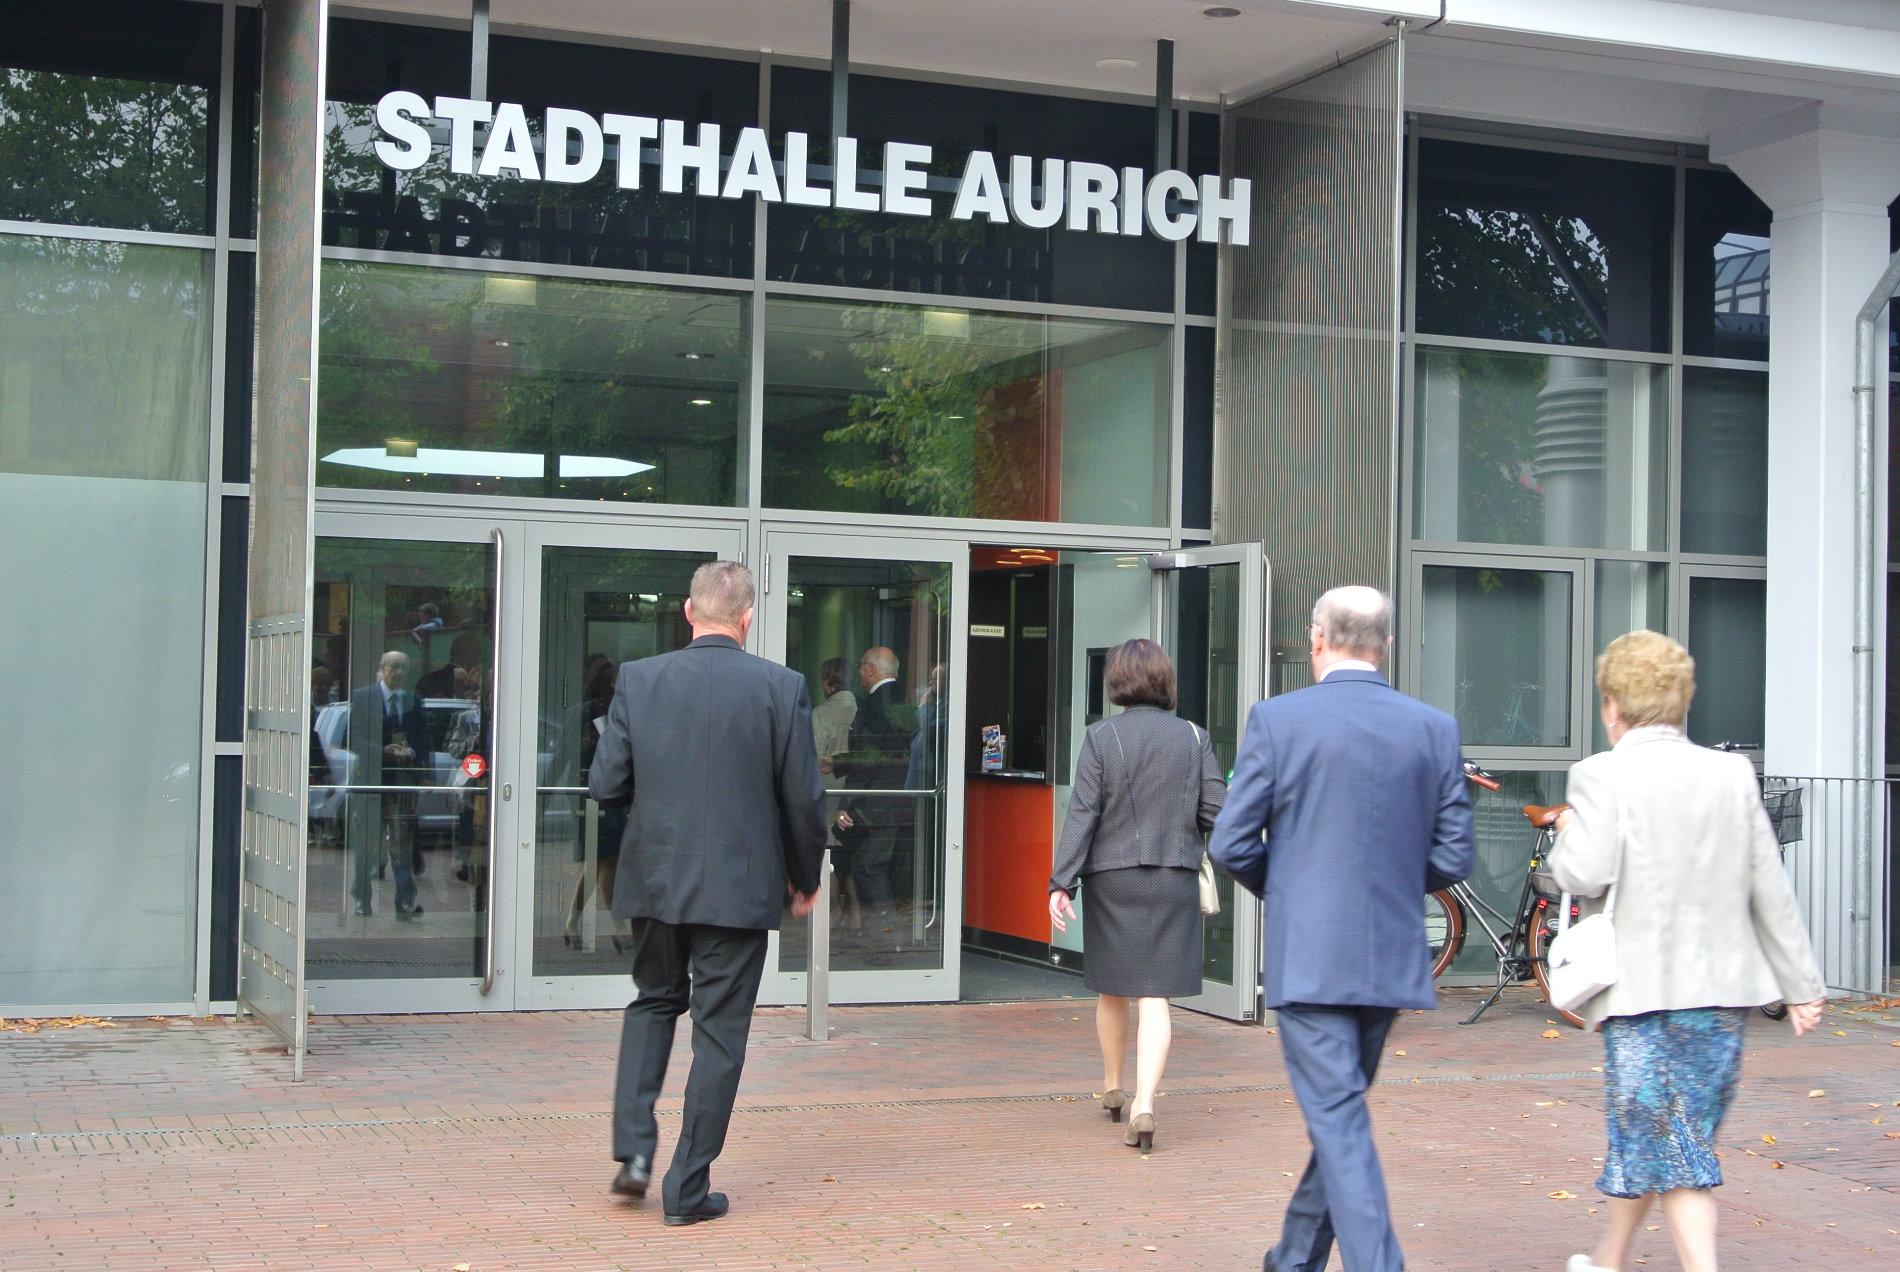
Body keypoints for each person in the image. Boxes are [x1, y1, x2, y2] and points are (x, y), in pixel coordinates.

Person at [1208, 585, 1474, 1272]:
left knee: (1339, 1122)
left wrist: (1292, 892)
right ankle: (1293, 1260)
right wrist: (1387, 891)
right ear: (1386, 645)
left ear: (1316, 640)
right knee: (1341, 1119)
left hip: (1310, 958)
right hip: (1389, 958)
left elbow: (1231, 843)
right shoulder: (1433, 728)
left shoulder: (1278, 720)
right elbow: (1453, 856)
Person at [1549, 631, 1826, 1272]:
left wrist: (1569, 831)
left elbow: (1583, 874)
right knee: (1670, 1136)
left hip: (1641, 997)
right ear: (1681, 701)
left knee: (1674, 1148)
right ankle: (1609, 1260)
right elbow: (1768, 885)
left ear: (1612, 704)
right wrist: (1802, 987)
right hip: (1723, 998)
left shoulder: (1600, 774)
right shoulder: (1732, 773)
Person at [588, 560, 827, 1227]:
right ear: (748, 617)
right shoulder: (781, 687)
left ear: (689, 612)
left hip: (656, 881)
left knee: (653, 1003)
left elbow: (605, 784)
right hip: (738, 888)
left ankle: (635, 1155)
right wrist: (805, 878)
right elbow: (804, 800)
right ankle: (687, 1188)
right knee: (720, 1035)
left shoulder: (639, 679)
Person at [1047, 639, 1225, 1151]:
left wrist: (1062, 882)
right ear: (1165, 681)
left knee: (1112, 988)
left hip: (1113, 878)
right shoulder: (1193, 737)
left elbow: (1083, 813)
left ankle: (1112, 1087)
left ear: (1117, 682)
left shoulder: (1101, 737)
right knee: (1155, 994)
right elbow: (1216, 810)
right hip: (1173, 875)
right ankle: (1145, 1105)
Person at [830, 646, 910, 951]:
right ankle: (884, 935)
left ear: (871, 670)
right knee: (869, 865)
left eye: (862, 666)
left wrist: (845, 803)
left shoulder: (875, 706)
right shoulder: (905, 702)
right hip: (898, 799)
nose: (860, 672)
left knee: (868, 866)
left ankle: (889, 937)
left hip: (874, 802)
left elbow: (867, 759)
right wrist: (837, 763)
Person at [345, 650, 434, 920]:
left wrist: (413, 753)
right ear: (382, 668)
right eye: (394, 667)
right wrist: (381, 752)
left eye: (403, 668)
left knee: (401, 845)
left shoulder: (413, 701)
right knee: (367, 843)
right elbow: (352, 738)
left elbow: (424, 741)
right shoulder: (363, 697)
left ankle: (404, 902)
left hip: (401, 784)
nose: (399, 673)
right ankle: (362, 896)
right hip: (370, 783)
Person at [561, 654, 629, 951]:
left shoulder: (618, 712)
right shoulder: (581, 714)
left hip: (613, 795)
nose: (612, 689)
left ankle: (574, 922)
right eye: (608, 683)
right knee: (603, 860)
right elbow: (565, 754)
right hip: (588, 794)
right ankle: (617, 926)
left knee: (602, 861)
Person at [809, 657, 861, 932]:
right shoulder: (860, 708)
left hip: (828, 789)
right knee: (850, 857)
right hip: (856, 790)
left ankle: (832, 911)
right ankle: (856, 913)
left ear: (827, 683)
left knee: (828, 854)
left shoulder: (821, 713)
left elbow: (815, 757)